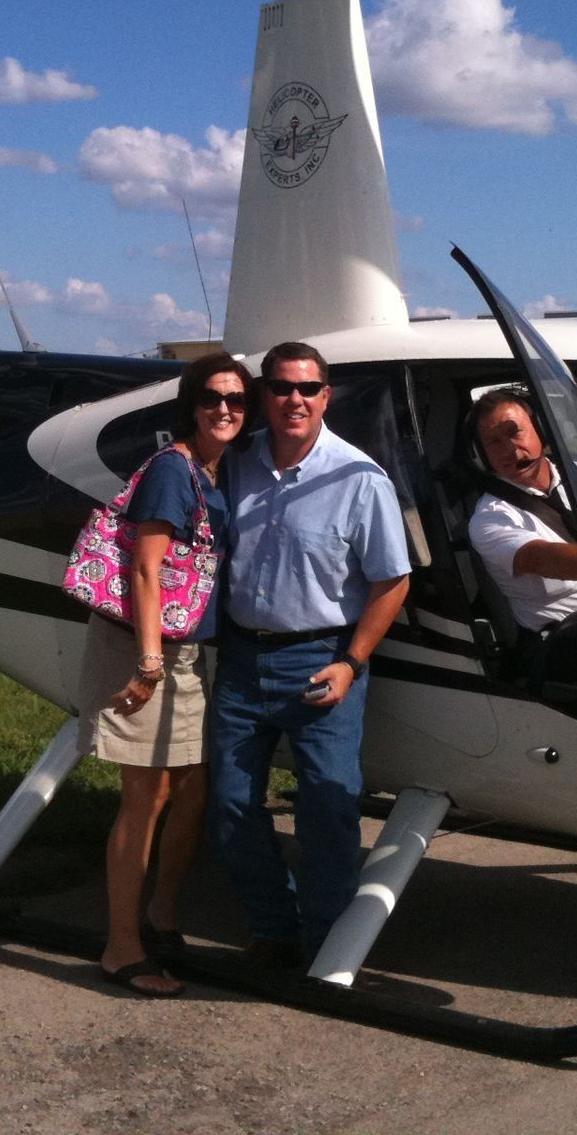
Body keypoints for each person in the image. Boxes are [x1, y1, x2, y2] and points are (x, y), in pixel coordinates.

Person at [209, 341, 411, 968]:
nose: (294, 399)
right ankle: (273, 928)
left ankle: (326, 943)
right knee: (230, 802)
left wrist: (351, 662)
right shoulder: (234, 465)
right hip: (243, 661)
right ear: (263, 396)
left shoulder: (360, 479)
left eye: (308, 388)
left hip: (321, 658)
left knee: (328, 804)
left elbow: (392, 581)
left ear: (327, 397)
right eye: (280, 388)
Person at [77, 351, 251, 997]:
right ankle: (120, 948)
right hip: (147, 651)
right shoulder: (174, 472)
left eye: (236, 399)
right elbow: (145, 569)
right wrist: (149, 664)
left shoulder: (215, 470)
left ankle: (163, 915)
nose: (225, 409)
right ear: (191, 405)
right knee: (145, 799)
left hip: (185, 652)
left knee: (192, 791)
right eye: (211, 398)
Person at [465, 386, 577, 683]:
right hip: (557, 641)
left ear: (541, 430)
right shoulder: (490, 518)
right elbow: (545, 560)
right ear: (482, 455)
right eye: (493, 442)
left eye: (514, 432)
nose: (509, 449)